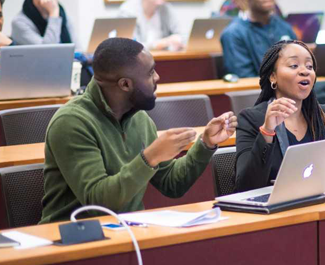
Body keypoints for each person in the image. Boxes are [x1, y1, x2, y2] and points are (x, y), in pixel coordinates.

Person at [41, 38, 237, 223]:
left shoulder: (139, 118)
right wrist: (149, 158)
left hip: (128, 230)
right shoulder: (71, 122)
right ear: (125, 84)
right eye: (150, 73)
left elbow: (172, 184)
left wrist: (205, 144)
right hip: (71, 235)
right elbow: (97, 202)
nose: (158, 77)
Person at [234, 40, 325, 192]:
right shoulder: (251, 119)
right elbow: (245, 186)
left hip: (322, 203)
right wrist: (267, 132)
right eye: (294, 65)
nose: (305, 71)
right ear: (273, 76)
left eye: (309, 66)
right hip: (276, 209)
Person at [220, 0, 296, 78]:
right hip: (260, 92)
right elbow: (245, 79)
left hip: (291, 90)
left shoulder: (284, 27)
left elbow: (299, 65)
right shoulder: (234, 34)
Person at [118, 0, 184, 51]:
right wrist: (160, 44)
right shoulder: (127, 11)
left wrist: (177, 41)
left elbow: (179, 36)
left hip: (164, 60)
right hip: (137, 63)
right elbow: (129, 47)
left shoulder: (166, 8)